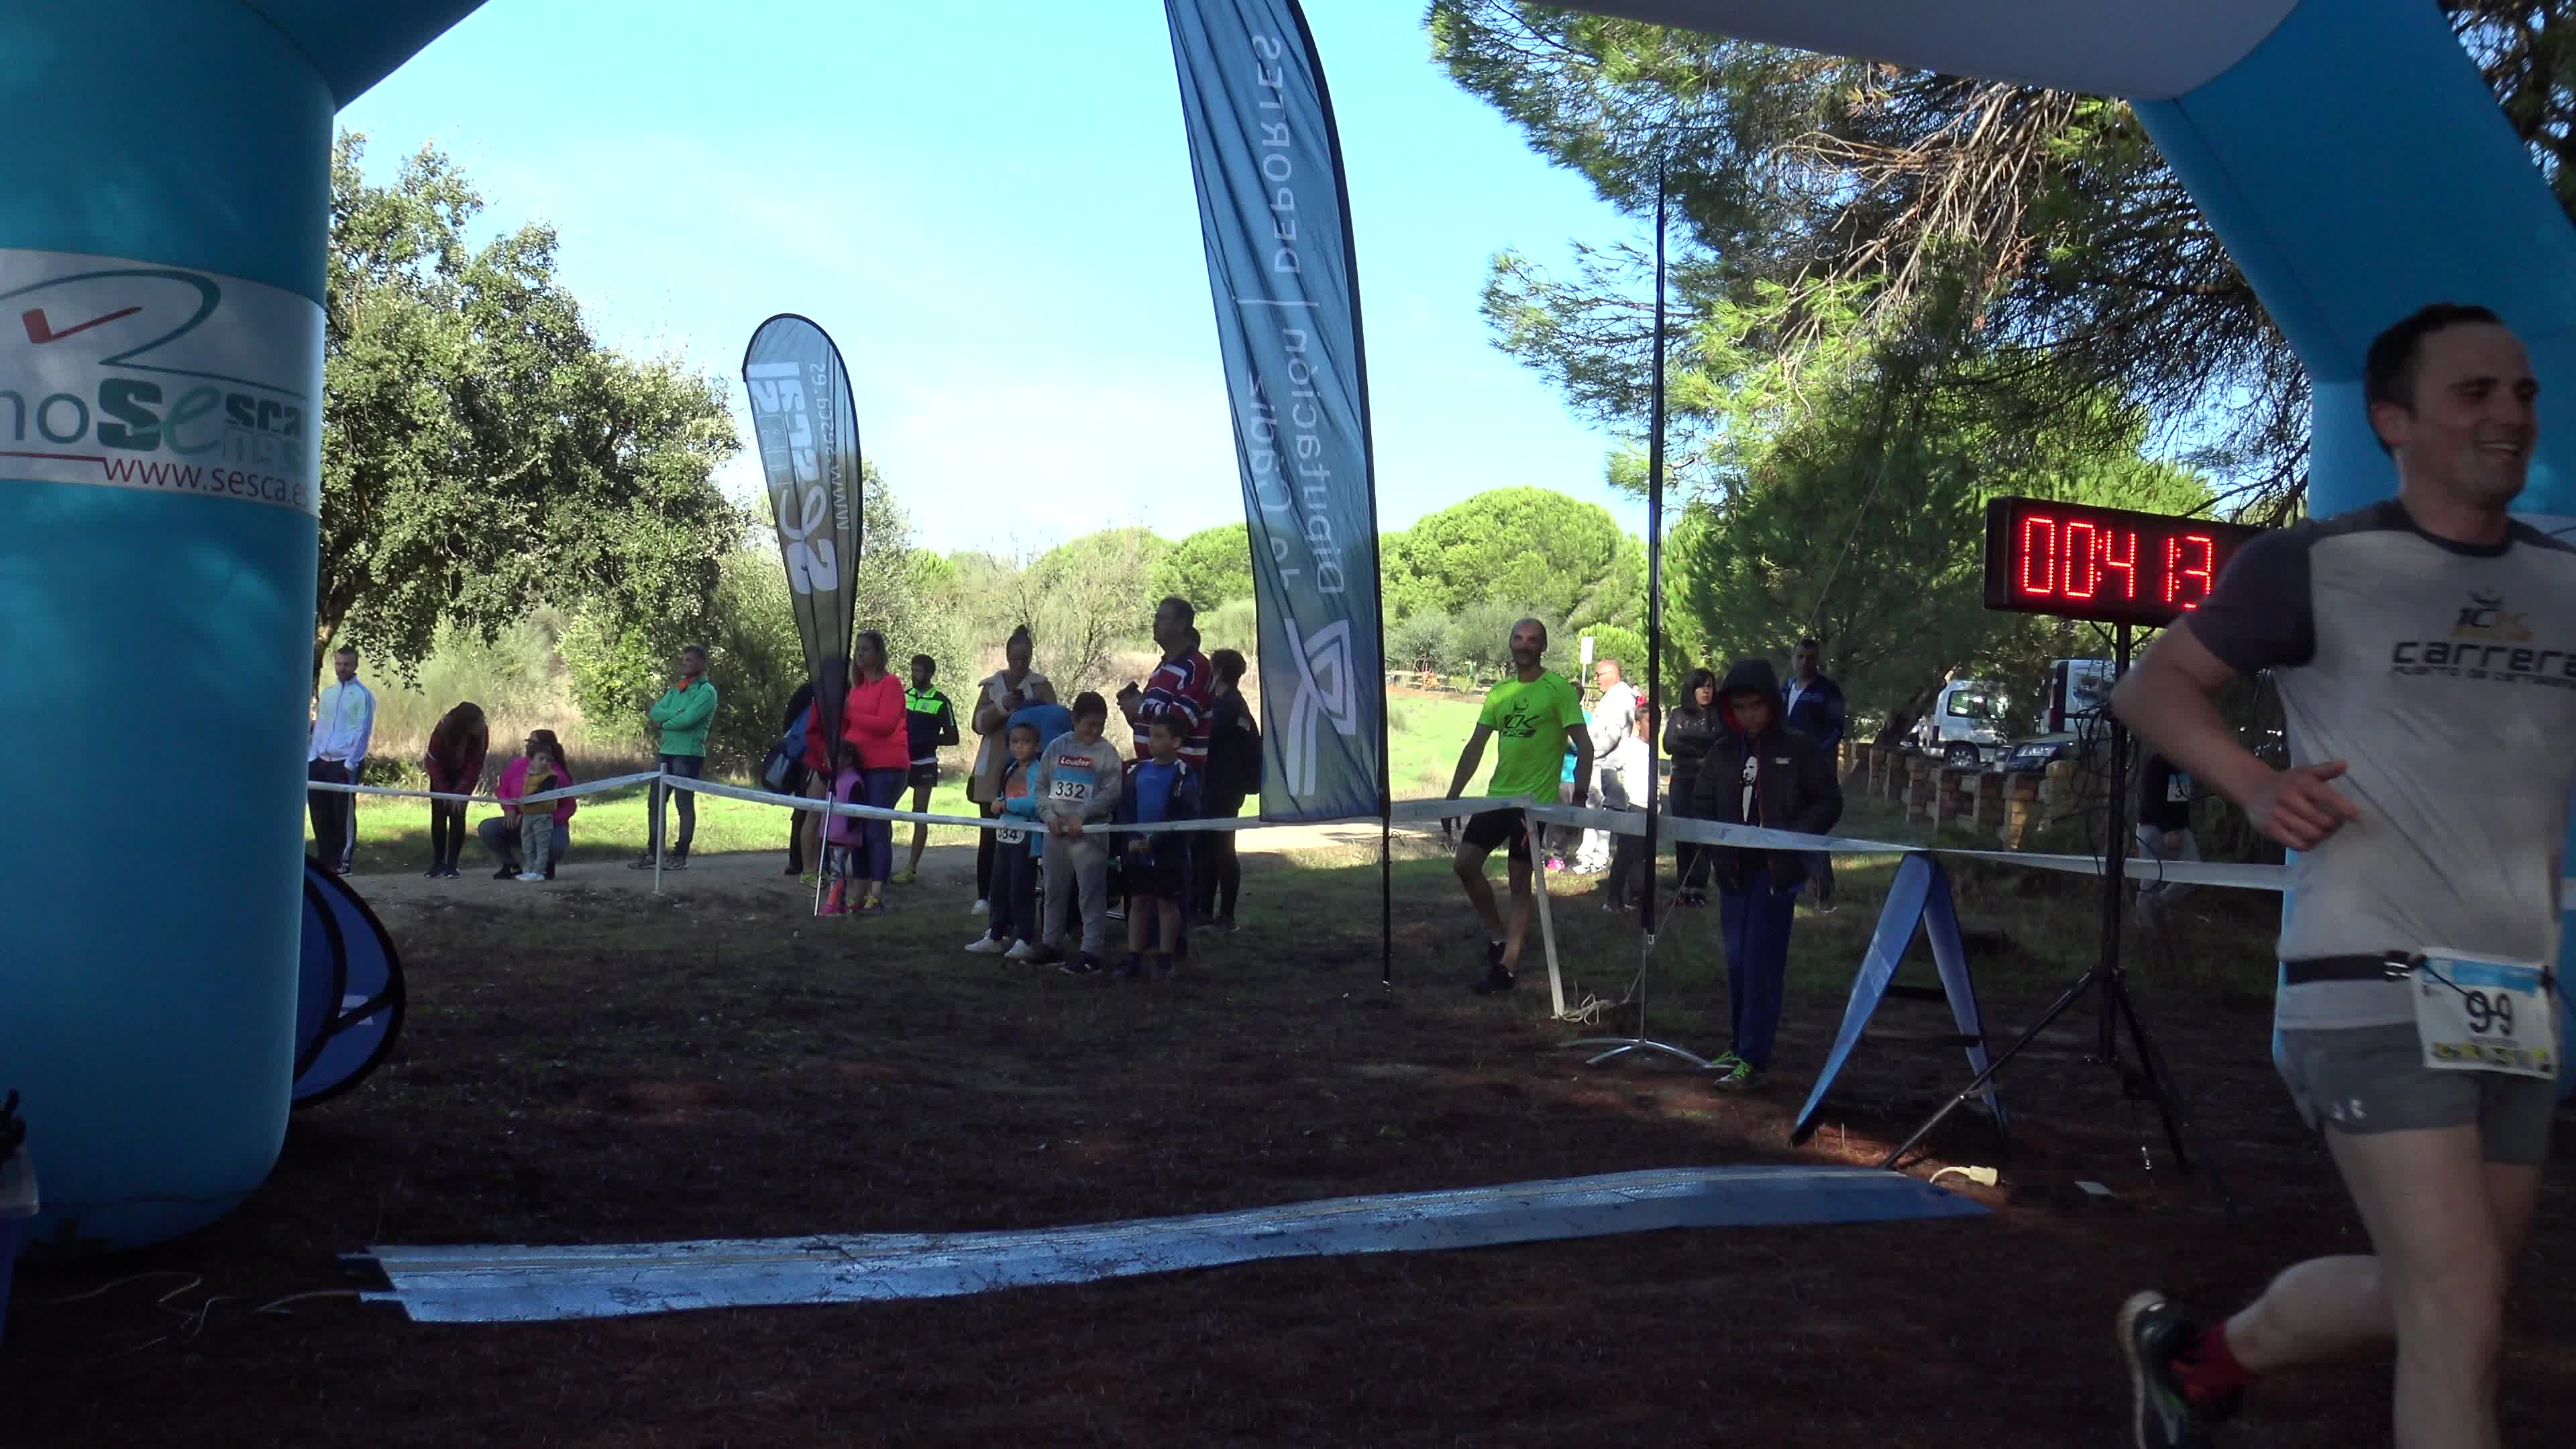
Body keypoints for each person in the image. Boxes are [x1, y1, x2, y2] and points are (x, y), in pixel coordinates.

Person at [2110, 303, 2576, 1449]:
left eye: (2522, 392)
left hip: (2512, 987)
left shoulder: (2566, 572)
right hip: (2366, 977)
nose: (2510, 415)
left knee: (2450, 1292)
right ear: (2392, 421)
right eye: (2474, 393)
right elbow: (2153, 685)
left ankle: (2197, 1364)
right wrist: (2255, 787)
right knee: (2457, 1309)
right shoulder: (2318, 565)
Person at [1693, 658, 1842, 1089]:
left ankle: (1753, 1057)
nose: (1748, 716)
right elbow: (1701, 803)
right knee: (1738, 964)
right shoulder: (1722, 752)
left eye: (1756, 706)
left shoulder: (1800, 749)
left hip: (1775, 876)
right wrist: (1716, 849)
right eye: (1740, 708)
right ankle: (1739, 1045)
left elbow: (1829, 802)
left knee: (1763, 965)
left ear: (1772, 705)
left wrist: (1793, 839)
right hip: (1733, 876)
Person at [1444, 618, 1591, 996]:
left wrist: (1577, 803)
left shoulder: (1558, 690)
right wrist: (1453, 795)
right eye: (1518, 638)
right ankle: (1499, 937)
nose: (1524, 645)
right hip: (1499, 797)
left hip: (1533, 805)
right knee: (1465, 864)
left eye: (1532, 640)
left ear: (1543, 647)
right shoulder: (1500, 692)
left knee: (1519, 881)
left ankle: (1507, 967)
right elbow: (1476, 745)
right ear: (1510, 643)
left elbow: (1585, 747)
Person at [1028, 692, 1124, 975]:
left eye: (1100, 725)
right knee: (1053, 891)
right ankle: (1051, 945)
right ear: (1074, 720)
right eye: (1089, 724)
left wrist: (1082, 815)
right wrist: (1048, 816)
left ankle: (1092, 952)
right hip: (1055, 835)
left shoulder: (1107, 753)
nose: (1094, 731)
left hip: (1090, 836)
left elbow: (1112, 793)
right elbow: (1041, 786)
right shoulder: (1056, 747)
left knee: (1091, 894)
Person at [967, 626, 1055, 917]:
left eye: (1025, 659)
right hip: (992, 765)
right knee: (989, 832)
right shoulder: (992, 686)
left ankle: (1017, 894)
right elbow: (977, 724)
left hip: (1026, 768)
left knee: (1021, 833)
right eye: (1015, 659)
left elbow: (1051, 723)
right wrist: (1001, 707)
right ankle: (984, 895)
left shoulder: (1042, 686)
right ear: (1007, 656)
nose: (1019, 665)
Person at [1115, 715, 1201, 979]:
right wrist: (1132, 839)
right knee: (1138, 903)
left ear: (1176, 742)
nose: (1152, 741)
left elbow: (1184, 815)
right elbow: (1125, 810)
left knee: (1167, 905)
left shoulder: (1184, 775)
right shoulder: (1136, 771)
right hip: (1136, 854)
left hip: (1168, 854)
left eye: (1160, 736)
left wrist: (1153, 842)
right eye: (1151, 735)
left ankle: (1166, 958)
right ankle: (1134, 957)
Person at [836, 629, 910, 916]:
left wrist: (850, 714)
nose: (860, 654)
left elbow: (886, 724)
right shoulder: (857, 687)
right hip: (859, 767)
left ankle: (876, 895)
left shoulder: (891, 684)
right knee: (857, 829)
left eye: (866, 649)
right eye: (858, 649)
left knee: (876, 828)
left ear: (879, 654)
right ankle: (860, 892)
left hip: (887, 767)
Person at [633, 645, 717, 872]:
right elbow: (655, 712)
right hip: (665, 752)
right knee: (655, 803)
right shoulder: (678, 688)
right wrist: (673, 716)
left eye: (689, 660)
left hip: (688, 755)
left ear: (702, 664)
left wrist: (665, 723)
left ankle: (680, 855)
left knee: (684, 804)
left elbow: (688, 720)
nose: (684, 663)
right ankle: (654, 853)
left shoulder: (707, 692)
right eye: (683, 659)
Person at [1194, 647, 1261, 933]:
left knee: (1222, 850)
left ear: (1219, 672)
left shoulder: (1228, 707)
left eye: (1210, 668)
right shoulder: (1229, 704)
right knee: (1208, 848)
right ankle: (1205, 911)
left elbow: (1205, 735)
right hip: (1219, 788)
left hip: (1223, 790)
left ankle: (1226, 916)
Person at [966, 721, 1046, 958]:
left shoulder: (1038, 771)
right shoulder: (1010, 768)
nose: (1020, 746)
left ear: (1036, 745)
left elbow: (1037, 804)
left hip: (1026, 839)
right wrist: (999, 802)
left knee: (1021, 888)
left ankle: (1024, 938)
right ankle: (996, 934)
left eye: (1026, 742)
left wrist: (1007, 805)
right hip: (1004, 836)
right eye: (1016, 742)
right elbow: (1005, 795)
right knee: (998, 886)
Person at [1784, 638, 1847, 911]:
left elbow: (1837, 729)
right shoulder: (1785, 688)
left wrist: (1814, 754)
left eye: (1810, 657)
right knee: (1791, 824)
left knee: (1811, 827)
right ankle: (1799, 882)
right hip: (1787, 770)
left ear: (1818, 660)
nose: (1805, 662)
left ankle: (1823, 887)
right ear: (1793, 658)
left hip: (1817, 771)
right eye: (1800, 656)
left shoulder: (1827, 691)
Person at [306, 644, 376, 874]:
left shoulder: (363, 695)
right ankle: (326, 859)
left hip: (344, 762)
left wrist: (351, 763)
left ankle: (343, 861)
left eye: (347, 664)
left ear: (355, 665)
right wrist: (312, 757)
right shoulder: (329, 694)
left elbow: (363, 731)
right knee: (320, 812)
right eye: (338, 663)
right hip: (320, 761)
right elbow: (321, 727)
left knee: (342, 813)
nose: (342, 668)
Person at [892, 654, 960, 885]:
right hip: (900, 761)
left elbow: (953, 737)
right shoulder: (903, 697)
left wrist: (928, 739)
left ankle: (911, 868)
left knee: (919, 814)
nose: (914, 675)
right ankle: (880, 862)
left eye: (919, 671)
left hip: (925, 764)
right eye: (913, 670)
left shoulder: (941, 702)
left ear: (930, 674)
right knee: (886, 809)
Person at [479, 729, 578, 879]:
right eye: (528, 742)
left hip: (548, 825)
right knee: (488, 828)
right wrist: (509, 809)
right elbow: (503, 790)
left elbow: (569, 807)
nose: (528, 745)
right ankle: (511, 865)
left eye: (532, 742)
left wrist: (545, 818)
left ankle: (545, 866)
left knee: (556, 844)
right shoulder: (516, 766)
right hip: (520, 821)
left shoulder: (557, 775)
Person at [1663, 668, 1722, 907]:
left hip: (1706, 783)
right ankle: (1683, 886)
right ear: (1691, 689)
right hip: (1682, 780)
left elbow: (1718, 740)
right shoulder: (1678, 713)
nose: (1706, 691)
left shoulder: (1716, 715)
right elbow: (1668, 744)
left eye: (1710, 686)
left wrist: (1685, 736)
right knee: (1682, 833)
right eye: (1701, 686)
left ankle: (1698, 888)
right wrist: (1699, 750)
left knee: (1702, 835)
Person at [1576, 659, 1639, 875]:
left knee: (1601, 811)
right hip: (1602, 762)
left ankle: (1597, 857)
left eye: (1599, 675)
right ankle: (1588, 855)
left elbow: (1611, 735)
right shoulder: (1616, 696)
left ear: (1612, 674)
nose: (1596, 679)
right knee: (1595, 809)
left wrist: (1589, 752)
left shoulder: (1619, 698)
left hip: (1605, 763)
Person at [2132, 749, 2200, 933]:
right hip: (2153, 828)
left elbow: (2181, 800)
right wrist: (2167, 829)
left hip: (2179, 828)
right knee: (2151, 877)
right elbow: (2151, 801)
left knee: (2194, 871)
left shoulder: (2183, 763)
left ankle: (2158, 903)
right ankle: (2144, 926)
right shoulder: (2158, 763)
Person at [420, 701, 488, 880]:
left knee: (458, 814)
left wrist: (460, 793)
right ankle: (438, 862)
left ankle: (452, 864)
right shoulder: (443, 729)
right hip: (441, 773)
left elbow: (476, 765)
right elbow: (432, 760)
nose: (482, 726)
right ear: (466, 724)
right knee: (439, 816)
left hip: (463, 776)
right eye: (478, 723)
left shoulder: (482, 733)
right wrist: (444, 791)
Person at [818, 741, 866, 917]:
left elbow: (856, 811)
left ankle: (833, 904)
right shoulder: (835, 779)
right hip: (832, 833)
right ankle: (841, 904)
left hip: (842, 836)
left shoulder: (853, 781)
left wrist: (849, 828)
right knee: (836, 870)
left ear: (847, 759)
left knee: (836, 872)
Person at [777, 674, 817, 876]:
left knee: (803, 807)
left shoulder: (808, 689)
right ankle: (802, 861)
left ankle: (797, 861)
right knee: (806, 809)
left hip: (803, 756)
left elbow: (788, 722)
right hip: (810, 758)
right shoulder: (813, 691)